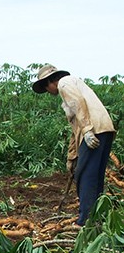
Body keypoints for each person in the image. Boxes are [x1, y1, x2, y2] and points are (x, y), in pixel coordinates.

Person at [32, 64, 115, 226]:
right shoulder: (71, 87)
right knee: (95, 176)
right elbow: (75, 131)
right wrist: (72, 158)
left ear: (50, 82)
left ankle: (86, 221)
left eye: (45, 87)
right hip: (104, 130)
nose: (47, 92)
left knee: (85, 176)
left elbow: (79, 104)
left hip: (94, 131)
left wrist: (88, 130)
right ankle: (97, 217)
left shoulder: (64, 83)